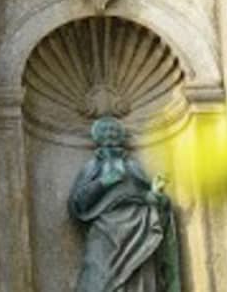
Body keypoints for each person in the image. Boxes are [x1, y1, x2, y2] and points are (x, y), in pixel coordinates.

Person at [69, 117, 180, 292]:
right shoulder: (92, 167)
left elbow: (144, 196)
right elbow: (79, 203)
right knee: (99, 278)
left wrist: (156, 195)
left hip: (139, 228)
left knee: (138, 273)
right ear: (98, 137)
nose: (110, 134)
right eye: (105, 131)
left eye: (114, 131)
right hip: (105, 230)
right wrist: (104, 182)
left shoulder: (133, 167)